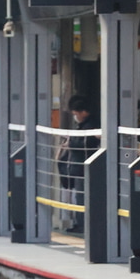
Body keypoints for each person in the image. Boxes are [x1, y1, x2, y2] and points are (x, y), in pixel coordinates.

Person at [64, 94, 99, 233]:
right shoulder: (83, 125)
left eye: (76, 114)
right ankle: (80, 223)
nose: (75, 116)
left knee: (82, 196)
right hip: (79, 167)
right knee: (79, 196)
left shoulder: (90, 126)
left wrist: (71, 143)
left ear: (83, 112)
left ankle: (83, 224)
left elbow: (85, 143)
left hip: (83, 167)